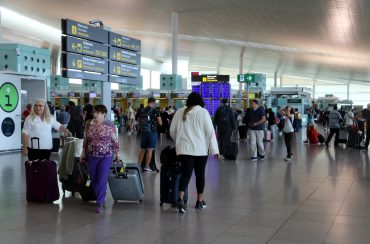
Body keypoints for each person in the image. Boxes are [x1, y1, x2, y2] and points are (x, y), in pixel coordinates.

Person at [170, 92, 220, 213]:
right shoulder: (203, 112)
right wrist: (215, 151)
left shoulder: (179, 112)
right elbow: (210, 133)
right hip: (200, 150)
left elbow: (172, 131)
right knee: (200, 175)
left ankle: (180, 198)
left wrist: (180, 142)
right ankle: (199, 201)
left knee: (186, 174)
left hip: (184, 149)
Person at [80, 105, 120, 213]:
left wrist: (118, 154)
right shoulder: (88, 123)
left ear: (104, 114)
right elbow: (85, 140)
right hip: (92, 155)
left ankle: (100, 201)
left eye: (98, 112)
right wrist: (83, 153)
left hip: (106, 156)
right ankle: (99, 197)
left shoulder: (109, 125)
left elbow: (115, 140)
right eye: (94, 112)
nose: (95, 114)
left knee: (102, 178)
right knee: (94, 179)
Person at [137, 97, 162, 172]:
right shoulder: (155, 111)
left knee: (143, 149)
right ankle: (146, 166)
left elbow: (139, 121)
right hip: (152, 132)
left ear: (148, 102)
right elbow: (160, 123)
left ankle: (138, 165)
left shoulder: (142, 110)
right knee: (150, 150)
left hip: (144, 132)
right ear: (154, 103)